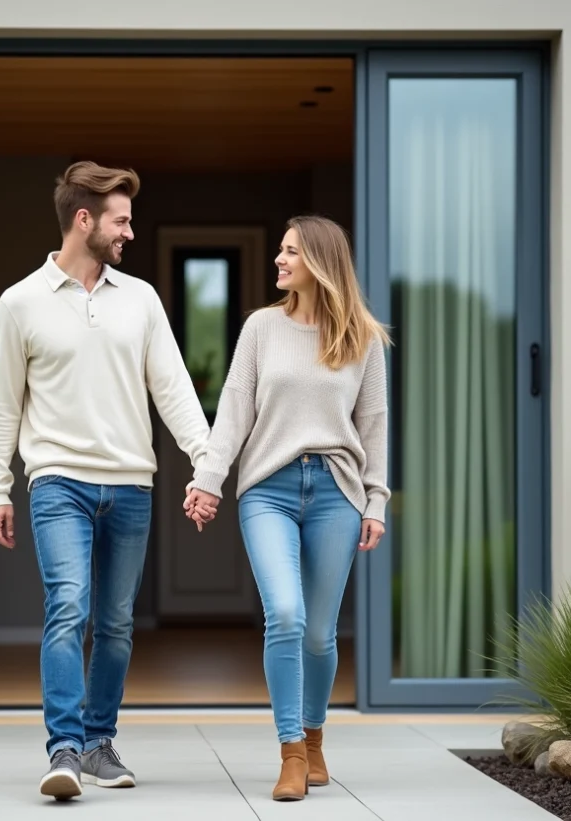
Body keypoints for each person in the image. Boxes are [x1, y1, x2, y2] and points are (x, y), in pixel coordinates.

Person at [0, 160, 216, 801]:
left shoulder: (141, 300)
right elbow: (3, 405)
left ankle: (97, 742)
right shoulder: (20, 303)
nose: (129, 233)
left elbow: (174, 390)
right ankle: (63, 749)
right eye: (121, 221)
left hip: (131, 487)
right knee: (68, 607)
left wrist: (207, 464)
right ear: (83, 220)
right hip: (58, 482)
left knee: (115, 623)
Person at [184, 215, 390, 802]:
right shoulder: (261, 328)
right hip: (267, 488)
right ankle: (291, 752)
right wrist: (209, 480)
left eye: (291, 251)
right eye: (280, 249)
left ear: (321, 262)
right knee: (284, 613)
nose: (279, 259)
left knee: (320, 634)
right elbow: (234, 409)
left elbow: (373, 424)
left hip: (336, 491)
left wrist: (376, 500)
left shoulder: (362, 337)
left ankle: (315, 736)